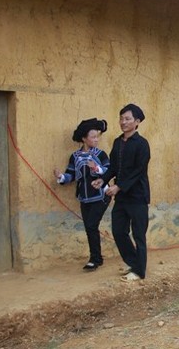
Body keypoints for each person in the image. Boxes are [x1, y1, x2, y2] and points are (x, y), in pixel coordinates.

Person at [92, 104, 151, 282]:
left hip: (138, 196)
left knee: (139, 234)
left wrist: (119, 186)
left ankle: (140, 271)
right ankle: (133, 262)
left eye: (127, 119)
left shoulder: (142, 144)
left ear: (137, 122)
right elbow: (113, 167)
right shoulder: (118, 142)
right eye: (121, 118)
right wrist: (103, 179)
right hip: (122, 198)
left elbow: (139, 171)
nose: (123, 122)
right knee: (118, 231)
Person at [54, 118, 110, 271]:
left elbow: (109, 171)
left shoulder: (101, 154)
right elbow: (71, 175)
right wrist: (61, 177)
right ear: (84, 139)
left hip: (101, 195)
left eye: (97, 136)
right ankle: (96, 258)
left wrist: (96, 168)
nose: (96, 140)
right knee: (89, 227)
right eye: (93, 137)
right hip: (84, 197)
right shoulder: (75, 156)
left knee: (91, 225)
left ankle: (95, 259)